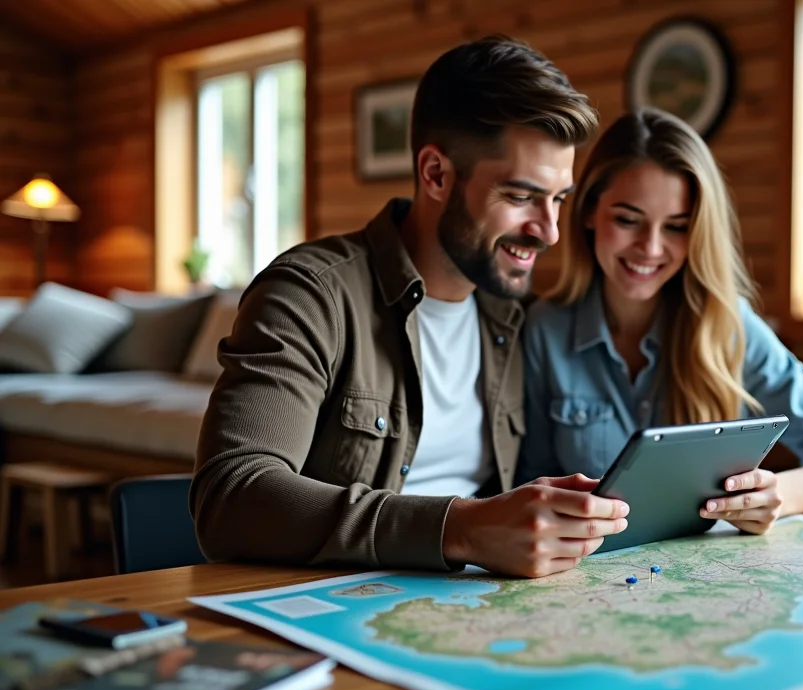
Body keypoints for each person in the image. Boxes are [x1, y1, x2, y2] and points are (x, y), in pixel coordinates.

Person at [191, 35, 631, 579]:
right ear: (436, 175)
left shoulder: (518, 316)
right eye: (521, 197)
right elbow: (230, 497)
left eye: (558, 199)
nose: (549, 231)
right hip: (331, 607)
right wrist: (460, 529)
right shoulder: (310, 295)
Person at [517, 108, 803, 534]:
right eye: (627, 219)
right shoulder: (544, 331)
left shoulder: (728, 327)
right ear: (588, 212)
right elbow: (528, 486)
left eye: (676, 227)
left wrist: (779, 495)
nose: (650, 248)